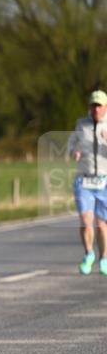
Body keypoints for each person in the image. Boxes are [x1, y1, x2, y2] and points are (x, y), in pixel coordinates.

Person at [67, 89, 107, 275]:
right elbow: (71, 144)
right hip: (84, 180)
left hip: (104, 181)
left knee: (102, 224)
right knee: (85, 220)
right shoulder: (81, 125)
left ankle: (104, 258)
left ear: (105, 107)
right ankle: (89, 253)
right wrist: (74, 151)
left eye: (99, 106)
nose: (96, 109)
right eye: (93, 106)